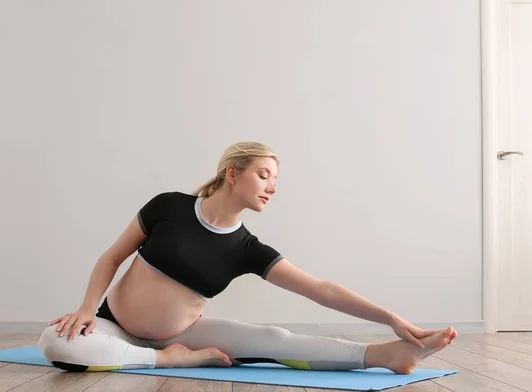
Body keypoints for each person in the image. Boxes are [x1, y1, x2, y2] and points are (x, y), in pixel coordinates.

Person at [38, 141, 457, 374]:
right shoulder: (169, 206)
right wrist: (87, 309)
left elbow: (322, 290)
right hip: (116, 325)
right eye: (264, 174)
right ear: (231, 173)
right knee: (54, 342)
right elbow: (111, 258)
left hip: (184, 333)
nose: (272, 187)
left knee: (275, 340)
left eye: (276, 180)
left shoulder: (247, 248)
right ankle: (165, 361)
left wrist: (391, 320)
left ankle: (387, 355)